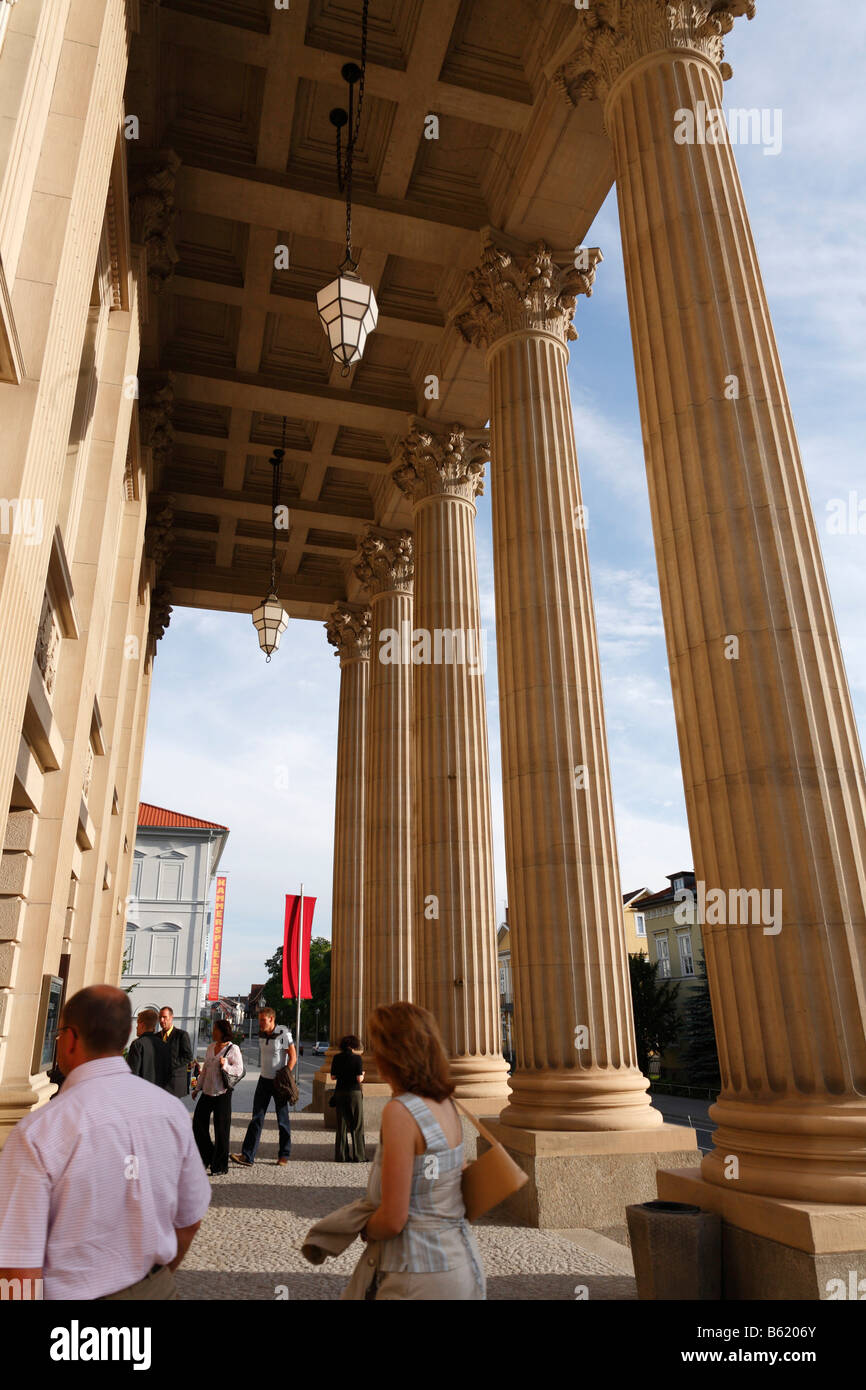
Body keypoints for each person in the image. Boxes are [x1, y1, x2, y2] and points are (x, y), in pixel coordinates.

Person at [0, 985, 211, 1300]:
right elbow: (190, 1219)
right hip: (156, 1289)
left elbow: (16, 1267)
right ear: (126, 1037)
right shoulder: (172, 1112)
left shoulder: (39, 1132)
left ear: (70, 1038)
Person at [341, 1001, 485, 1301]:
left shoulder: (401, 1112)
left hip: (419, 1274)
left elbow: (394, 1219)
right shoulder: (448, 1104)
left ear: (391, 1055)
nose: (372, 1056)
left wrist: (362, 1225)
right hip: (462, 1266)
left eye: (377, 1047)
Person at [230, 1007, 296, 1167]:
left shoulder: (283, 1033)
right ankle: (247, 1156)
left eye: (262, 1020)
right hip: (263, 1081)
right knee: (256, 1118)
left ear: (271, 1019)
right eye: (259, 1020)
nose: (260, 1023)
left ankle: (284, 1155)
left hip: (278, 1082)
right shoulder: (261, 1034)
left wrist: (285, 1075)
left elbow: (293, 1057)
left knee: (282, 1120)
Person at [192, 1018, 243, 1176]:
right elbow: (205, 1070)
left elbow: (239, 1070)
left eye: (215, 1029)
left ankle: (220, 1166)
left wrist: (225, 1065)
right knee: (198, 1125)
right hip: (207, 1092)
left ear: (222, 1031)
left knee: (222, 1131)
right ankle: (208, 1155)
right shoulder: (210, 1047)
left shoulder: (233, 1049)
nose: (212, 1032)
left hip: (222, 1094)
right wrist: (197, 1088)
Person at [330, 1034, 366, 1163]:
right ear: (353, 1045)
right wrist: (363, 1075)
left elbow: (333, 1077)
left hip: (340, 1092)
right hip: (354, 1093)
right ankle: (359, 1155)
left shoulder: (336, 1058)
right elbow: (358, 1078)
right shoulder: (357, 1058)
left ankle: (341, 1156)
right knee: (357, 1125)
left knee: (341, 1126)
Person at [157, 1006, 193, 1097]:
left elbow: (188, 1056)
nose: (161, 1020)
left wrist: (170, 1064)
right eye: (160, 1017)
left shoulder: (181, 1035)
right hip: (159, 1083)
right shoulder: (156, 1036)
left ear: (171, 1018)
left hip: (175, 1083)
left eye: (164, 1017)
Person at [126, 1008, 167, 1086]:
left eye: (137, 1024)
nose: (136, 1027)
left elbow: (133, 1073)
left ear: (142, 1025)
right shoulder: (163, 1044)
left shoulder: (137, 1044)